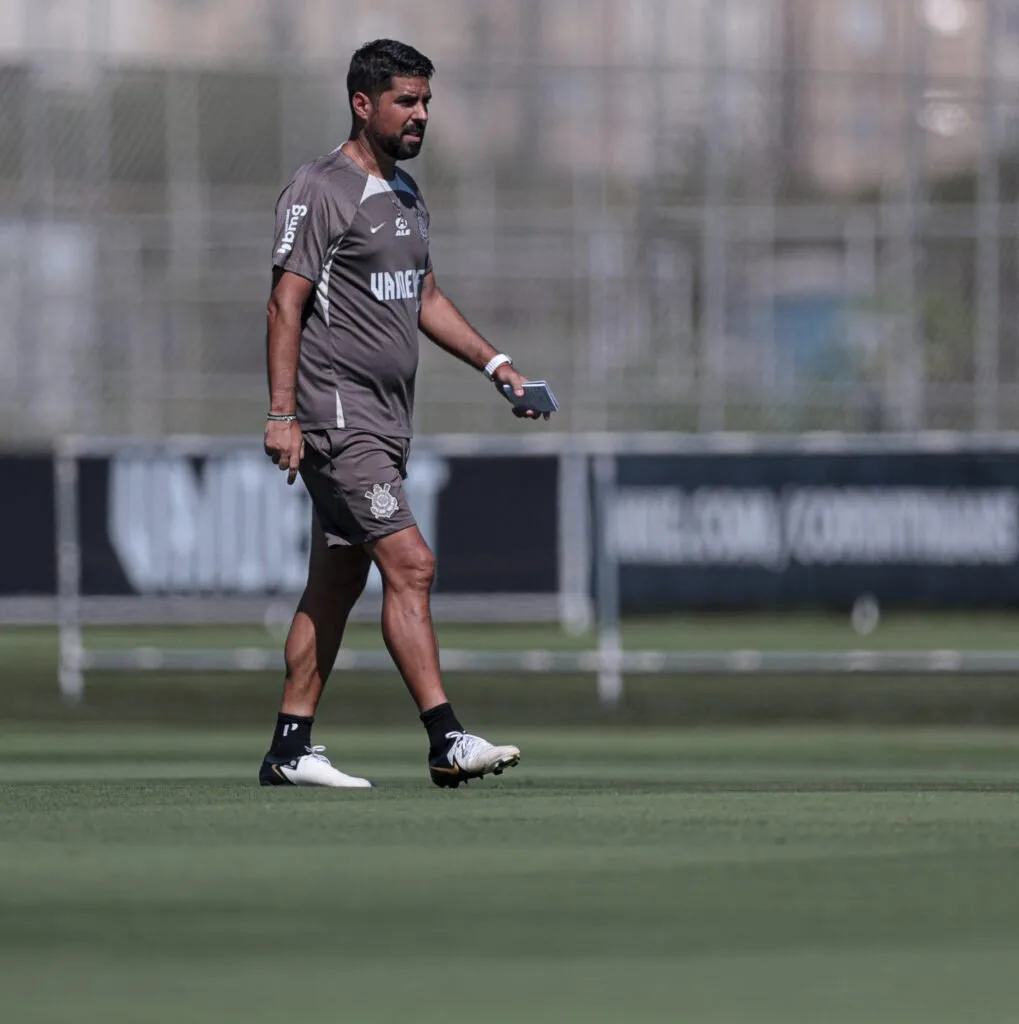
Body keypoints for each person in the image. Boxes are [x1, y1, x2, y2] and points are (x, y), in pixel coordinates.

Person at [260, 39, 550, 789]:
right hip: (336, 419)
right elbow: (284, 302)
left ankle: (291, 748)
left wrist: (498, 367)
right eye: (405, 102)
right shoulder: (320, 188)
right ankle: (444, 738)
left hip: (385, 425)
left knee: (335, 583)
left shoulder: (408, 194)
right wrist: (283, 413)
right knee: (412, 564)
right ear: (363, 104)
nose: (421, 115)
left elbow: (422, 297)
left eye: (425, 101)